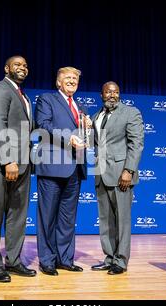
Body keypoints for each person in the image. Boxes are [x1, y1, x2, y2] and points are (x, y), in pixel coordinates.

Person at [0, 55, 36, 282]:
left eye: (25, 65)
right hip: (1, 164)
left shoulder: (24, 96)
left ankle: (13, 261)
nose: (22, 67)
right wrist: (7, 160)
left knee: (17, 216)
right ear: (6, 68)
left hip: (22, 165)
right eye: (17, 64)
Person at [34, 66, 90, 276]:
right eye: (67, 77)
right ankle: (47, 260)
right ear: (58, 82)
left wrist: (88, 128)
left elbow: (85, 137)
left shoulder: (80, 106)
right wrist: (68, 138)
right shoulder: (47, 99)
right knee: (47, 217)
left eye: (75, 78)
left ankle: (65, 259)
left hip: (75, 169)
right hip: (52, 166)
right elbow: (43, 125)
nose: (71, 80)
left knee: (67, 219)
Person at [90, 81, 144, 275]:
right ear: (102, 94)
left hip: (122, 175)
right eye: (108, 92)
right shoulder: (96, 116)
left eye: (116, 92)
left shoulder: (130, 113)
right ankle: (109, 257)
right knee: (105, 221)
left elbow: (136, 144)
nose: (112, 95)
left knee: (122, 220)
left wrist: (128, 170)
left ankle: (121, 261)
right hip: (101, 174)